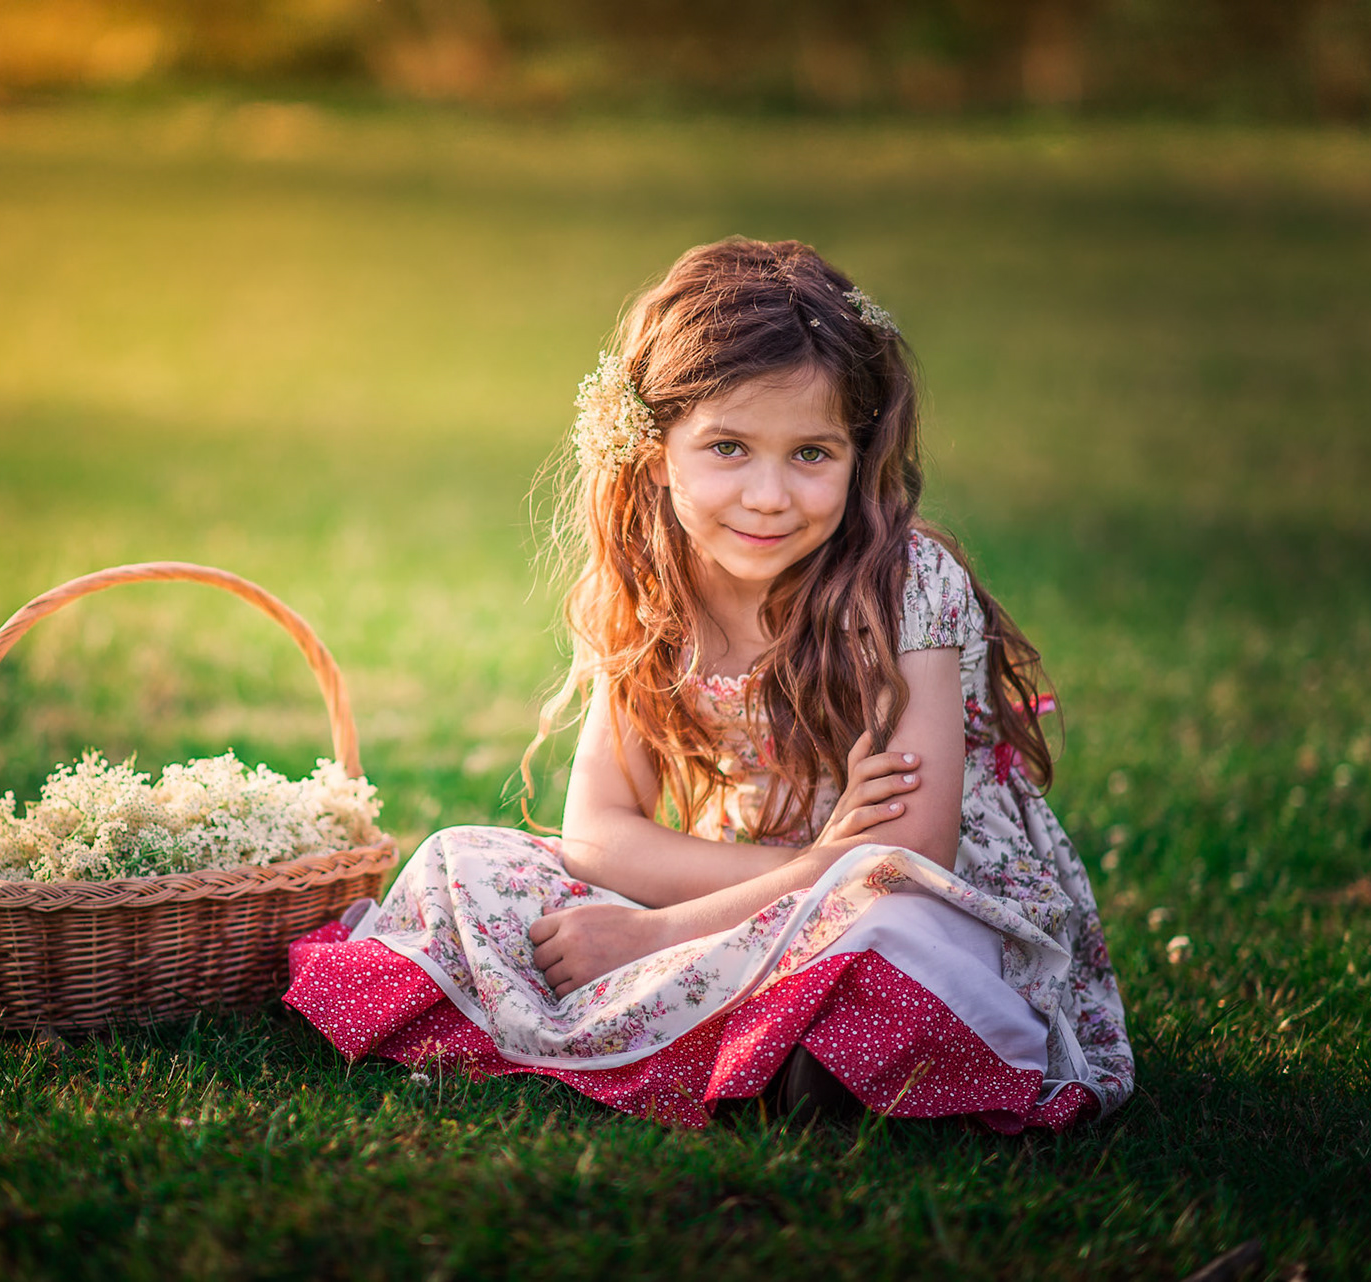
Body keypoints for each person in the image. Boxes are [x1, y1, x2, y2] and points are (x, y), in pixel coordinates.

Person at [285, 237, 1132, 1131]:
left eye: (812, 454)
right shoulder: (652, 586)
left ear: (860, 452)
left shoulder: (903, 588)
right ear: (654, 450)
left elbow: (905, 859)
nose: (768, 496)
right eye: (728, 447)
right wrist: (805, 864)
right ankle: (765, 1045)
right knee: (467, 865)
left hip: (907, 899)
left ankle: (781, 1047)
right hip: (742, 879)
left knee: (891, 942)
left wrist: (653, 935)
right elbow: (598, 834)